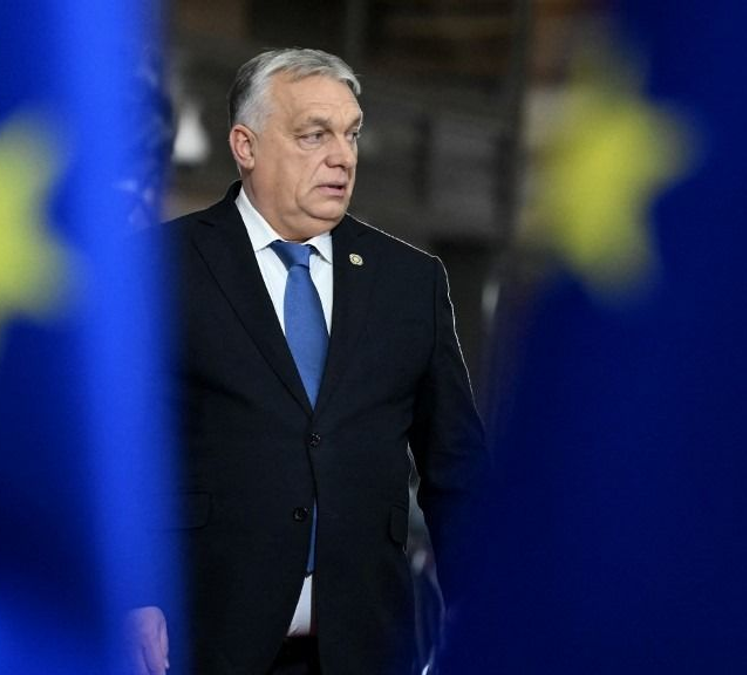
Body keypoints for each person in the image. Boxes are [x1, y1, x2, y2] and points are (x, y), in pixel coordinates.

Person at [131, 47, 486, 675]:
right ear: (245, 145)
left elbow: (456, 469)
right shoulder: (159, 267)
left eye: (351, 133)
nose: (343, 156)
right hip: (203, 642)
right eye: (314, 135)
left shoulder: (411, 282)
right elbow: (120, 452)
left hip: (368, 648)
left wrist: (484, 605)